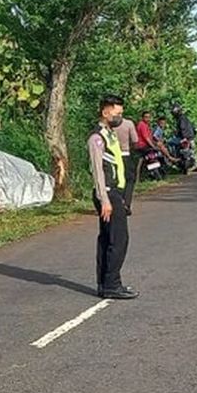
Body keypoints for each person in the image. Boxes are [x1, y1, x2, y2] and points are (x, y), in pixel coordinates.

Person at [88, 95, 137, 300]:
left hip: (114, 191)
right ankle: (112, 284)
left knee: (107, 238)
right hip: (107, 192)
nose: (120, 117)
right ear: (105, 112)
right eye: (117, 113)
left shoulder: (110, 134)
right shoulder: (97, 138)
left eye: (121, 114)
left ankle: (104, 283)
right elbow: (97, 171)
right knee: (119, 239)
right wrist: (105, 199)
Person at [115, 109, 140, 214]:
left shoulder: (109, 126)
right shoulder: (128, 124)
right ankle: (126, 203)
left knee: (116, 180)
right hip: (125, 154)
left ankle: (117, 203)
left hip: (112, 156)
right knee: (129, 180)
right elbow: (135, 140)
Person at [170, 102, 197, 171]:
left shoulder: (181, 119)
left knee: (170, 143)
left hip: (185, 138)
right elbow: (193, 128)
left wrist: (184, 137)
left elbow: (183, 129)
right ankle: (196, 165)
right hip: (190, 137)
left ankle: (174, 161)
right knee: (192, 151)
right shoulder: (185, 118)